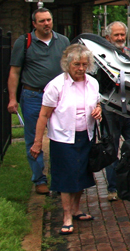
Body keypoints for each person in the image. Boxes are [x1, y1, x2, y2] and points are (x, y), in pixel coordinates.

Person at [29, 44, 102, 235]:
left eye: (84, 64)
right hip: (63, 138)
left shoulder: (93, 83)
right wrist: (37, 142)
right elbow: (44, 115)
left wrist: (98, 110)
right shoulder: (56, 85)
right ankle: (66, 216)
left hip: (86, 135)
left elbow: (97, 102)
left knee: (82, 174)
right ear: (67, 64)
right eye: (76, 64)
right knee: (66, 177)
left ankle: (77, 209)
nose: (81, 68)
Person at [7, 7, 71, 195]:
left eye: (49, 20)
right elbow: (15, 71)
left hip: (59, 97)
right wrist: (12, 98)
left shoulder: (63, 41)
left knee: (61, 137)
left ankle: (60, 178)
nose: (46, 24)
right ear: (34, 24)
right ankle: (39, 178)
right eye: (42, 21)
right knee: (33, 139)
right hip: (33, 96)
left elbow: (70, 69)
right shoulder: (24, 42)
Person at [103, 21, 130, 202]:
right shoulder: (101, 55)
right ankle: (113, 187)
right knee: (111, 148)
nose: (120, 38)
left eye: (122, 35)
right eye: (116, 35)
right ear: (108, 37)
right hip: (109, 109)